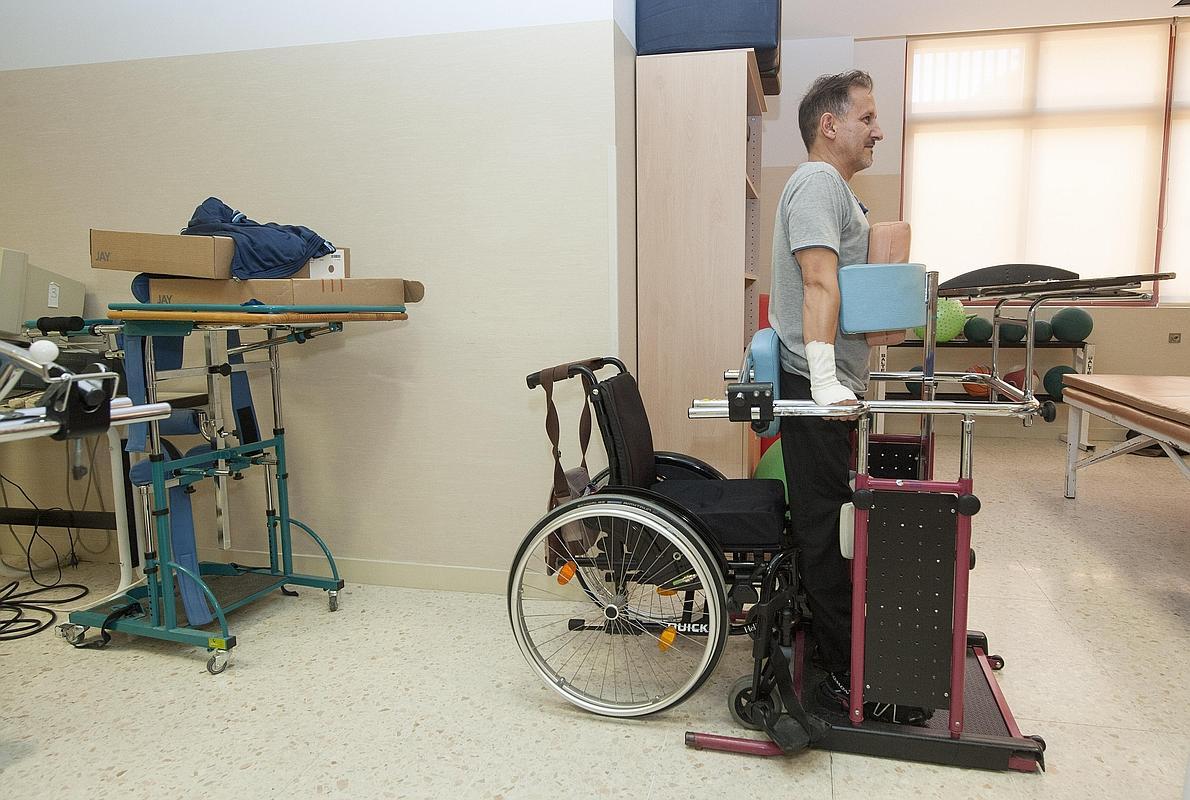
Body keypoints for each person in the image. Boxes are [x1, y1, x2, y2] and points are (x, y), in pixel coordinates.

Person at [769, 70, 929, 725]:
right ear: (828, 124)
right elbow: (817, 283)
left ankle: (841, 647)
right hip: (814, 385)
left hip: (828, 382)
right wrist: (828, 380)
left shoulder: (838, 193)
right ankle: (840, 676)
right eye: (866, 117)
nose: (879, 130)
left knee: (834, 522)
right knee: (828, 529)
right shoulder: (815, 183)